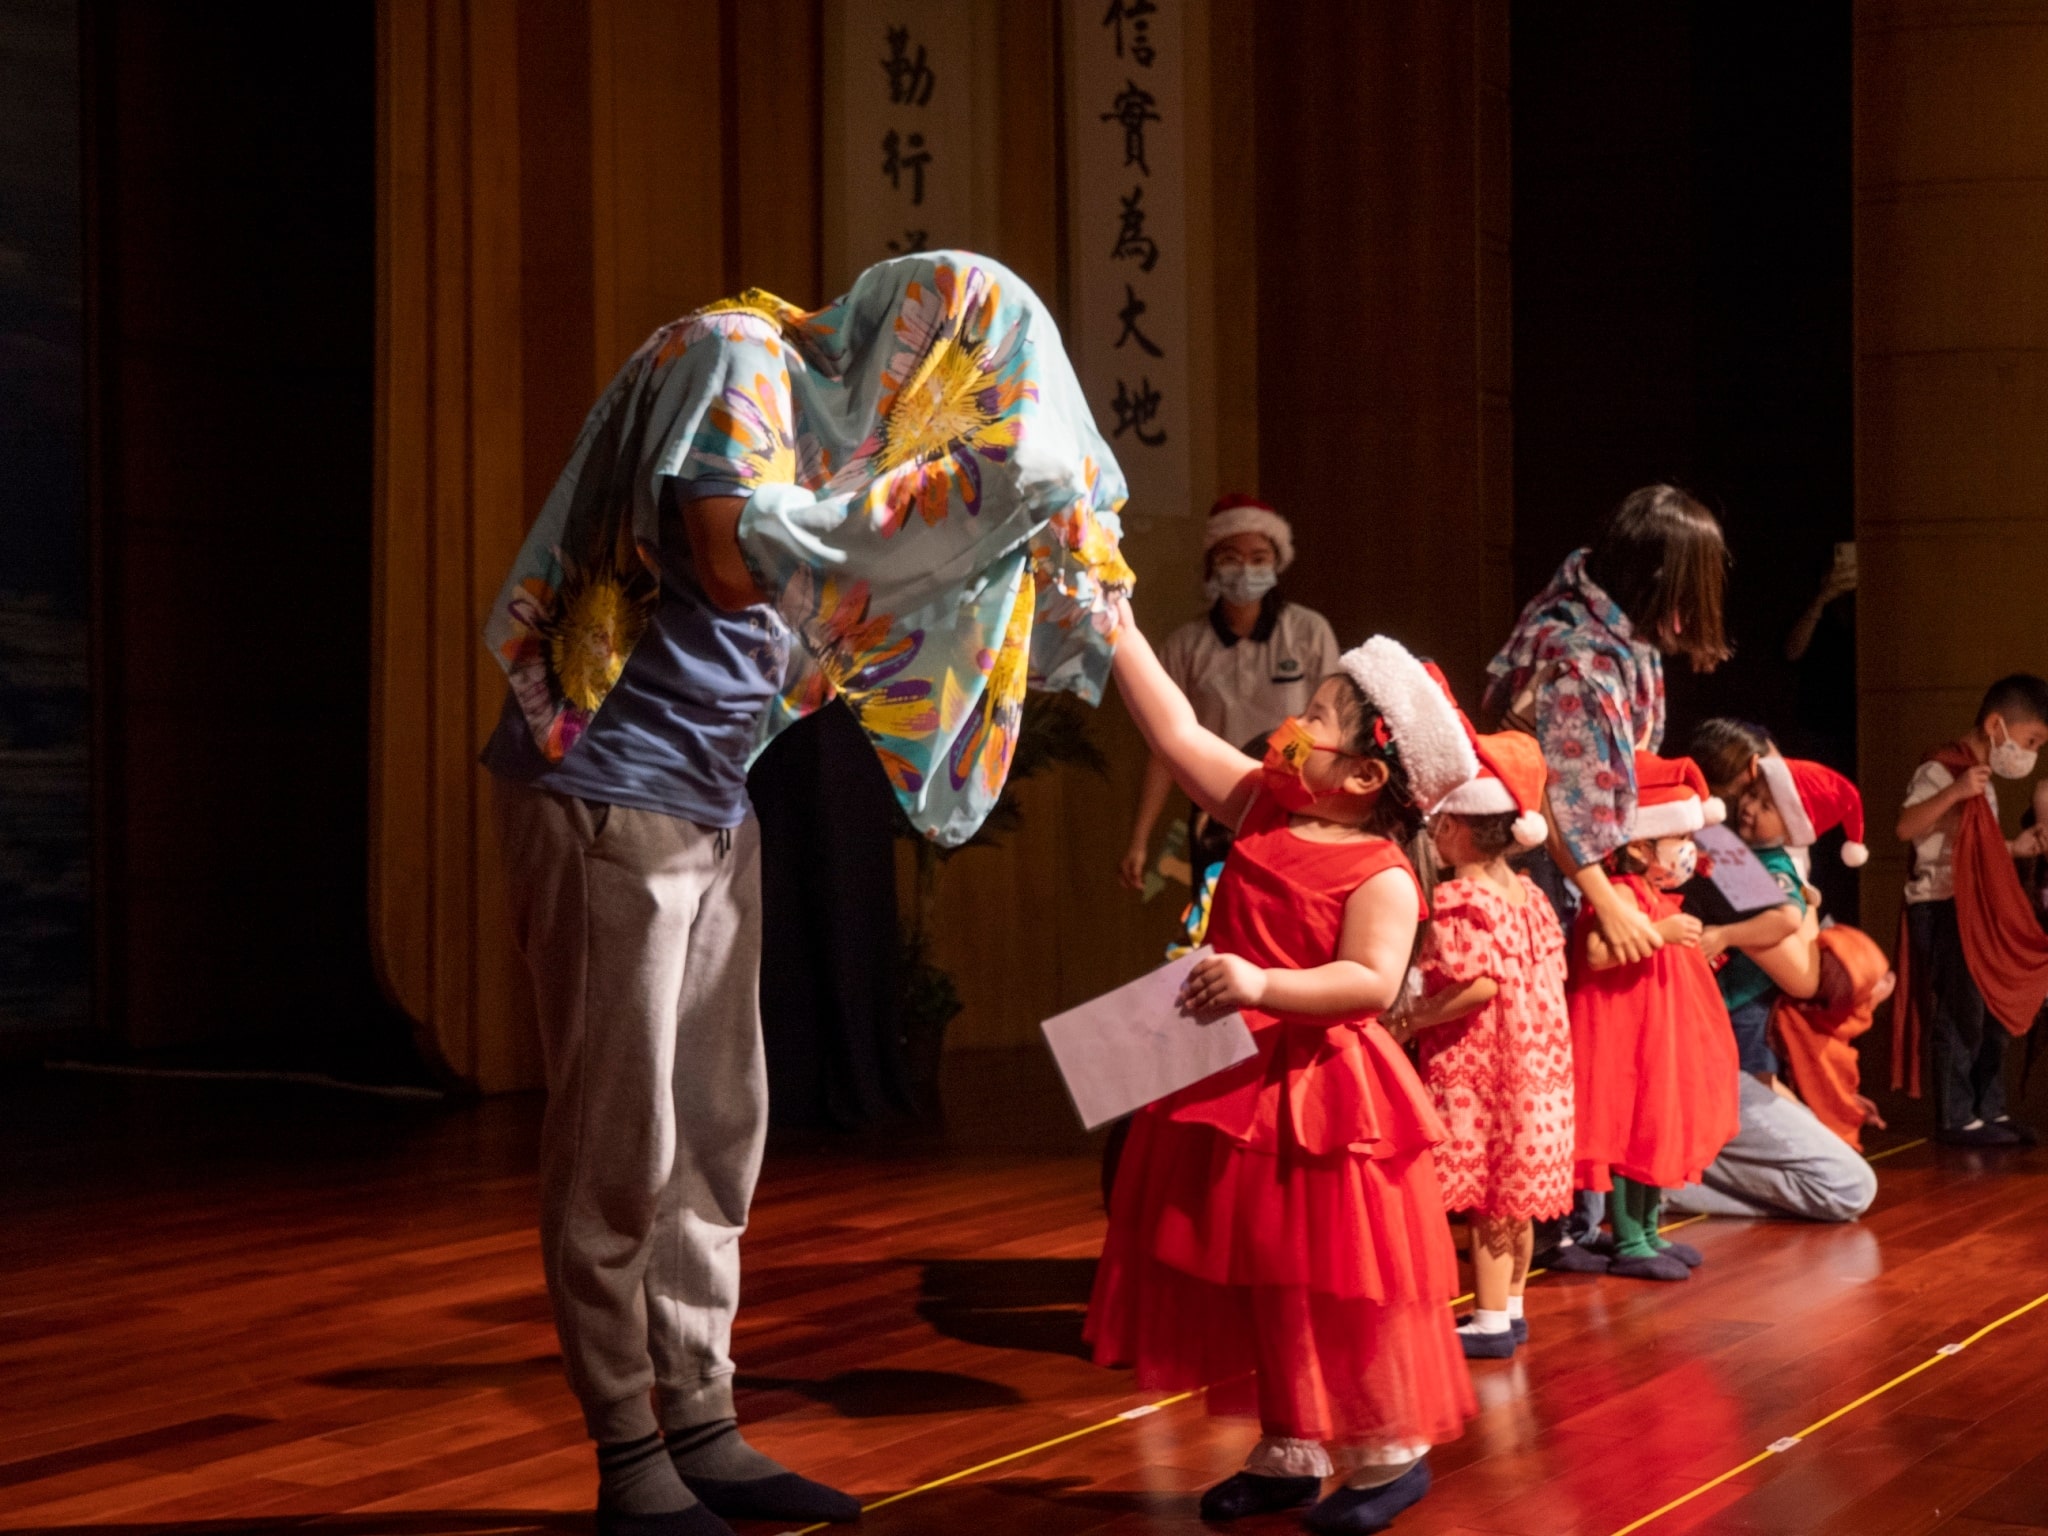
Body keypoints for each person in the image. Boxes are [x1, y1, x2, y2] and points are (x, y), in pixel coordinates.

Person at [481, 254, 1132, 1536]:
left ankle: (704, 1423)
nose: (950, 431)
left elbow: (824, 614)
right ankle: (629, 1452)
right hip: (610, 784)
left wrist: (1005, 547)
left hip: (713, 798)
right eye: (964, 400)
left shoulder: (834, 452)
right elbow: (727, 563)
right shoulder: (742, 359)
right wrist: (940, 513)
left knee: (720, 1126)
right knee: (626, 1139)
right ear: (919, 354)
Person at [1086, 619, 1479, 1535]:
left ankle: (1386, 1452)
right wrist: (1118, 630)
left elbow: (1372, 982)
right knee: (1261, 1272)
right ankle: (1289, 1443)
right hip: (1232, 1084)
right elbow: (1179, 735)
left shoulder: (1380, 874)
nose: (1286, 729)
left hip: (1320, 1100)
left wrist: (1263, 982)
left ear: (1365, 777)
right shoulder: (1263, 805)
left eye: (1313, 720)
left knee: (1331, 1284)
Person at [1484, 484, 1731, 1269]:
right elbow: (1565, 790)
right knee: (1567, 1048)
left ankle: (1585, 1226)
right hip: (1545, 862)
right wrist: (1603, 897)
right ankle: (1562, 1226)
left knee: (1598, 1048)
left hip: (1577, 858)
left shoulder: (1599, 618)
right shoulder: (1581, 652)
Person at [1390, 730, 1573, 1360]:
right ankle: (1513, 1308)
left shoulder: (1460, 900)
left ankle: (1490, 1319)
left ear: (1459, 831)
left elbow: (1479, 986)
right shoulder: (1532, 898)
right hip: (1537, 1069)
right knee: (1515, 1199)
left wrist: (1414, 1018)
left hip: (1487, 1067)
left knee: (1491, 1203)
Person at [1660, 720, 1880, 1222]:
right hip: (1703, 1068)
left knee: (1830, 1143)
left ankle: (1661, 1178)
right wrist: (1801, 903)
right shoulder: (1723, 852)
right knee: (1847, 1186)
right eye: (1767, 784)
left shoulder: (1711, 842)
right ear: (1748, 778)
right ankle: (1661, 1179)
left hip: (1727, 1061)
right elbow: (1804, 977)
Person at [1567, 754, 1741, 1281]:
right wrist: (1660, 937)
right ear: (1641, 846)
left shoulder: (1649, 893)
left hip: (1656, 1035)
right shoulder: (1620, 894)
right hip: (1625, 1037)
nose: (1689, 852)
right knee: (1627, 1137)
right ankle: (1626, 1240)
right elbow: (1598, 954)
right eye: (1678, 842)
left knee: (1653, 1131)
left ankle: (1645, 1233)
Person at [1119, 493, 1341, 893]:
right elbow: (1165, 747)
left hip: (1295, 807)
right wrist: (1139, 839)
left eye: (1259, 557)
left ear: (1277, 561)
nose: (1245, 569)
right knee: (1213, 923)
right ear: (1211, 564)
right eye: (1231, 556)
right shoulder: (1186, 646)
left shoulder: (1309, 633)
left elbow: (1332, 726)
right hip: (1214, 808)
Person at [1893, 674, 2048, 1146]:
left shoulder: (1982, 782)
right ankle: (1957, 1117)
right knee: (1964, 1012)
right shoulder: (1942, 771)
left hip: (1975, 907)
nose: (2031, 753)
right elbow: (1906, 828)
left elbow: (1971, 850)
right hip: (1941, 908)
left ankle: (1990, 1108)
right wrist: (1956, 793)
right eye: (2031, 740)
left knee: (1995, 1009)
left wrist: (2015, 850)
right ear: (1996, 725)